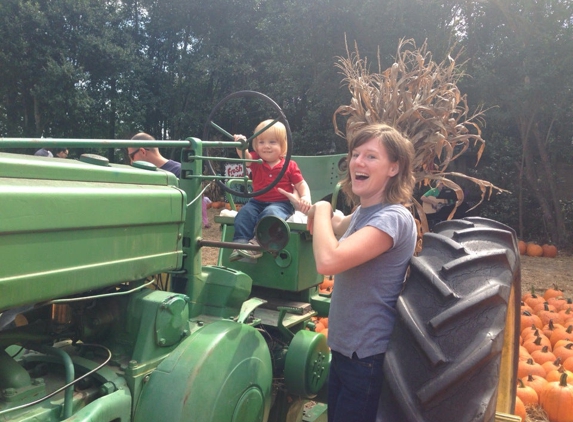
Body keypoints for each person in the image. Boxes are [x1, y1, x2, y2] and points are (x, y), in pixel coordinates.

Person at [306, 123, 417, 422]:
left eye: (371, 156)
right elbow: (342, 222)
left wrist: (320, 208)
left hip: (366, 358)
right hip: (344, 350)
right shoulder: (365, 212)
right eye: (355, 154)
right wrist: (318, 213)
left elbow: (328, 261)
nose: (358, 162)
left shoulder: (393, 218)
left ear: (393, 168)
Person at [229, 119, 311, 262]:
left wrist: (305, 197)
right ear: (256, 145)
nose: (266, 146)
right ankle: (240, 245)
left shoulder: (289, 165)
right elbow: (245, 158)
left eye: (272, 142)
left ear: (283, 145)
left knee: (271, 214)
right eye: (261, 142)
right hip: (257, 202)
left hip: (281, 204)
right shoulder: (256, 160)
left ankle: (257, 244)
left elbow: (301, 184)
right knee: (244, 213)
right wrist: (241, 146)